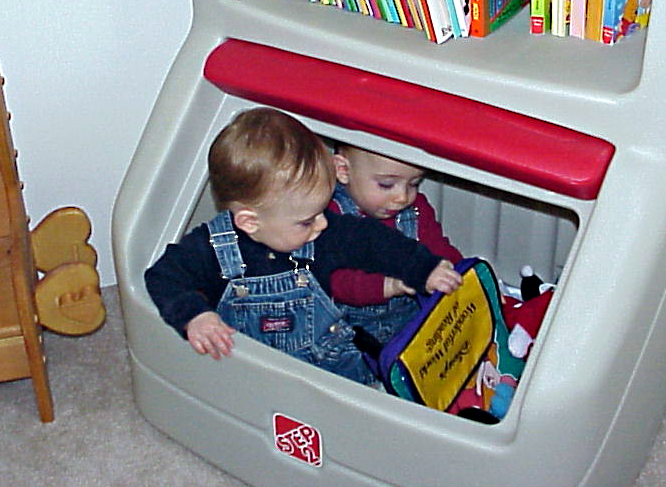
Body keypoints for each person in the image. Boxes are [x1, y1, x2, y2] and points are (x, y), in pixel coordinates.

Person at [144, 107, 462, 385]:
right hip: (252, 375)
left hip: (331, 369)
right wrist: (195, 316)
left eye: (321, 212)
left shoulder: (321, 233)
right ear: (249, 222)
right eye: (307, 220)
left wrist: (425, 269)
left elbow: (375, 242)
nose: (322, 224)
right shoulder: (211, 247)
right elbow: (163, 276)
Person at [329, 143, 464, 348]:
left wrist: (463, 276)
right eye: (386, 184)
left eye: (414, 183)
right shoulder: (331, 214)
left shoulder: (416, 209)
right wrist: (390, 285)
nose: (402, 197)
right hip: (350, 334)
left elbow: (438, 248)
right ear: (343, 170)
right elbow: (334, 282)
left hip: (410, 321)